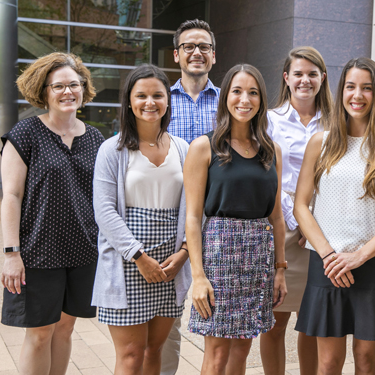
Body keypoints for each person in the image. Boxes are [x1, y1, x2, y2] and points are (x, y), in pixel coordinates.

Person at [293, 57, 375, 375]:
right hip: (328, 263)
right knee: (329, 361)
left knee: (365, 358)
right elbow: (301, 205)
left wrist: (360, 255)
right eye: (350, 87)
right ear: (341, 91)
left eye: (366, 88)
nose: (357, 95)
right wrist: (329, 255)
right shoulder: (320, 142)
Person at [0, 52, 104, 374]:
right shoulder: (25, 134)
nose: (67, 92)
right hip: (38, 252)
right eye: (58, 86)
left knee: (65, 328)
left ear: (83, 89)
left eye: (74, 84)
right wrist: (11, 253)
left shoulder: (96, 139)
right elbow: (12, 196)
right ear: (43, 91)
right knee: (40, 332)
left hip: (84, 251)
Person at [184, 64, 287, 375]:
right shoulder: (204, 146)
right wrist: (198, 277)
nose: (245, 99)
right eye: (237, 91)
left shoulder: (271, 151)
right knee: (216, 354)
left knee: (242, 348)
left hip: (258, 257)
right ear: (225, 96)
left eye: (253, 92)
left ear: (261, 100)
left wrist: (280, 270)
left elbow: (277, 216)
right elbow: (192, 217)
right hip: (219, 256)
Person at [91, 64, 191, 374]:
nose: (150, 102)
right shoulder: (113, 149)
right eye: (141, 95)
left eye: (158, 95)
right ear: (129, 101)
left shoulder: (183, 149)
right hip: (128, 263)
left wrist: (184, 254)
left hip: (170, 264)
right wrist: (139, 256)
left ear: (168, 100)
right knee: (131, 355)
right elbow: (104, 211)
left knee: (153, 351)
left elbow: (194, 209)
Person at [260, 46, 333, 375]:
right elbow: (266, 177)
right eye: (299, 74)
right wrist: (297, 219)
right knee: (275, 322)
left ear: (322, 78)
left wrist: (313, 222)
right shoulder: (270, 120)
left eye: (312, 74)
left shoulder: (337, 123)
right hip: (283, 228)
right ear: (287, 78)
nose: (305, 80)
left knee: (312, 324)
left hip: (324, 231)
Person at [163, 19, 219, 374]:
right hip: (169, 221)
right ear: (176, 55)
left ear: (213, 55)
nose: (196, 52)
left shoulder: (232, 103)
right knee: (166, 323)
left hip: (217, 224)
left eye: (203, 47)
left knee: (217, 320)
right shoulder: (159, 101)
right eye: (188, 47)